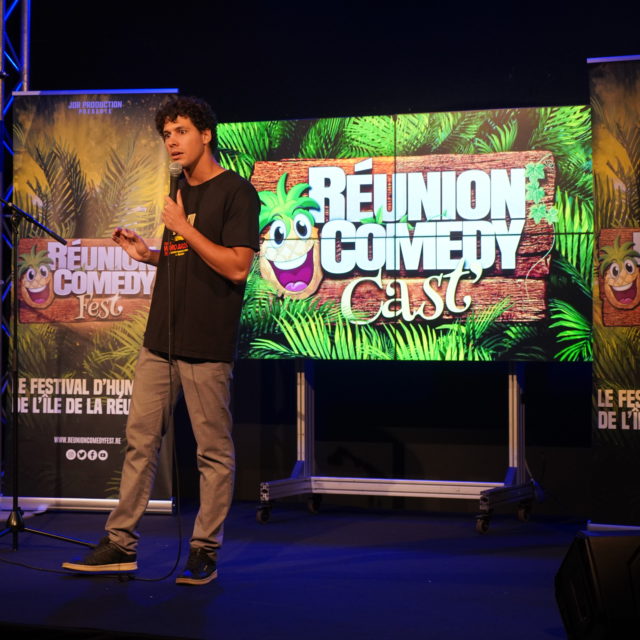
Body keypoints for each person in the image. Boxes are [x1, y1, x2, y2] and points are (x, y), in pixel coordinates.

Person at [62, 96, 260, 585]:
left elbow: (237, 267)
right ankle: (120, 544)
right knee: (139, 442)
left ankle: (204, 550)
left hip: (206, 345)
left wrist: (182, 228)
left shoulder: (236, 192)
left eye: (181, 131)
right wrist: (149, 253)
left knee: (212, 452)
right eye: (167, 135)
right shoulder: (179, 193)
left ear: (206, 134)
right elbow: (188, 258)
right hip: (160, 341)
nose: (172, 142)